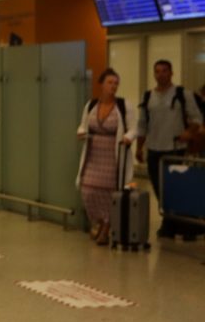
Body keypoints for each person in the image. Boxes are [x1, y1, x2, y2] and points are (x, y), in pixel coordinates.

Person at [135, 59, 202, 240]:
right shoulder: (148, 97)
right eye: (157, 71)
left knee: (177, 189)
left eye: (165, 71)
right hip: (154, 149)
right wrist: (139, 148)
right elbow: (142, 125)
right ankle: (170, 222)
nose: (161, 74)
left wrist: (188, 133)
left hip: (175, 149)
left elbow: (197, 119)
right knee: (160, 189)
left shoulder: (183, 94)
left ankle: (184, 225)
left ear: (171, 73)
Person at [76, 69, 136, 246]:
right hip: (93, 155)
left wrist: (128, 137)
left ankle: (107, 227)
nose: (113, 86)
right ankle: (100, 221)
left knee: (110, 192)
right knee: (88, 190)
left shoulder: (124, 105)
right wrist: (81, 132)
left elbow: (133, 128)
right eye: (110, 82)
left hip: (113, 155)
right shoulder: (91, 105)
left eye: (116, 83)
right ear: (101, 84)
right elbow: (83, 125)